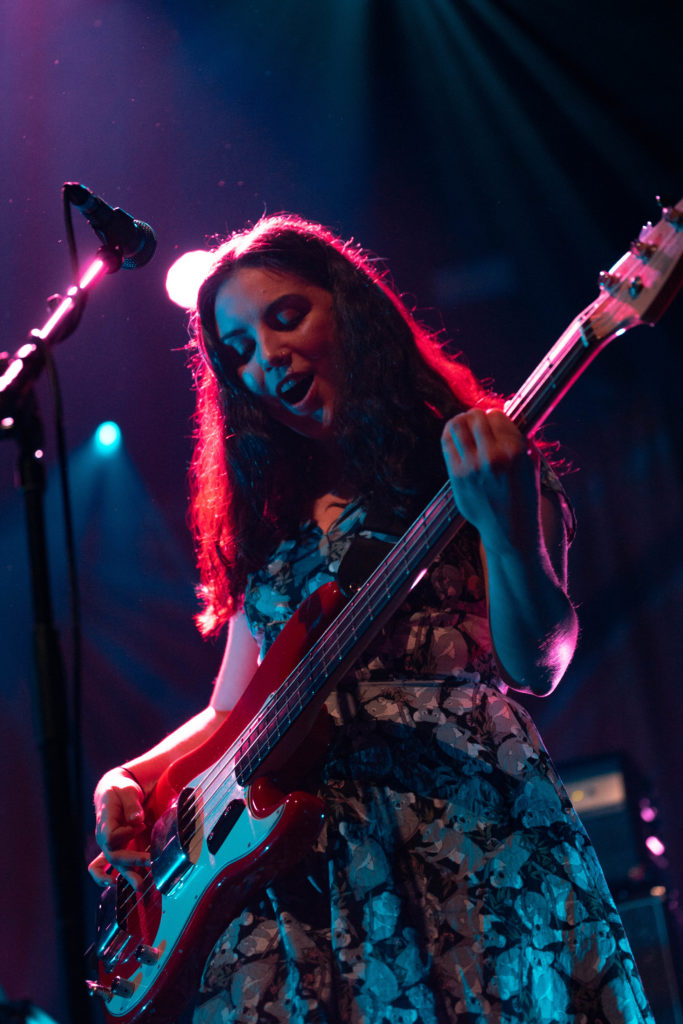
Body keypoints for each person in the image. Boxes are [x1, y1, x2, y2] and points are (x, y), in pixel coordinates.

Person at [89, 215, 653, 1023]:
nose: (266, 357)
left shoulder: (474, 463)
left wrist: (503, 526)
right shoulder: (273, 528)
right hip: (301, 884)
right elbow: (230, 711)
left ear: (350, 311)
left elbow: (538, 663)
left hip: (461, 837)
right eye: (238, 350)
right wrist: (135, 779)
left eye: (287, 317)